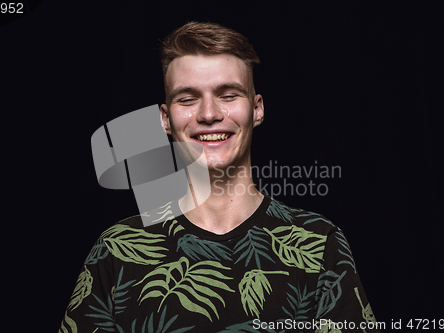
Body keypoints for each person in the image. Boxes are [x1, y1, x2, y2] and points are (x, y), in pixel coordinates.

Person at [59, 21, 381, 333]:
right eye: (187, 98)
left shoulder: (319, 244)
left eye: (228, 95)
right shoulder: (116, 250)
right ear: (165, 119)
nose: (209, 114)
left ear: (257, 110)